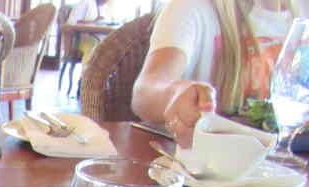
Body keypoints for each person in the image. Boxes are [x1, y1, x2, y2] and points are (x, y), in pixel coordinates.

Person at [131, 0, 308, 147]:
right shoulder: (191, 8)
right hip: (205, 168)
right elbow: (145, 91)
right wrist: (174, 93)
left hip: (285, 170)